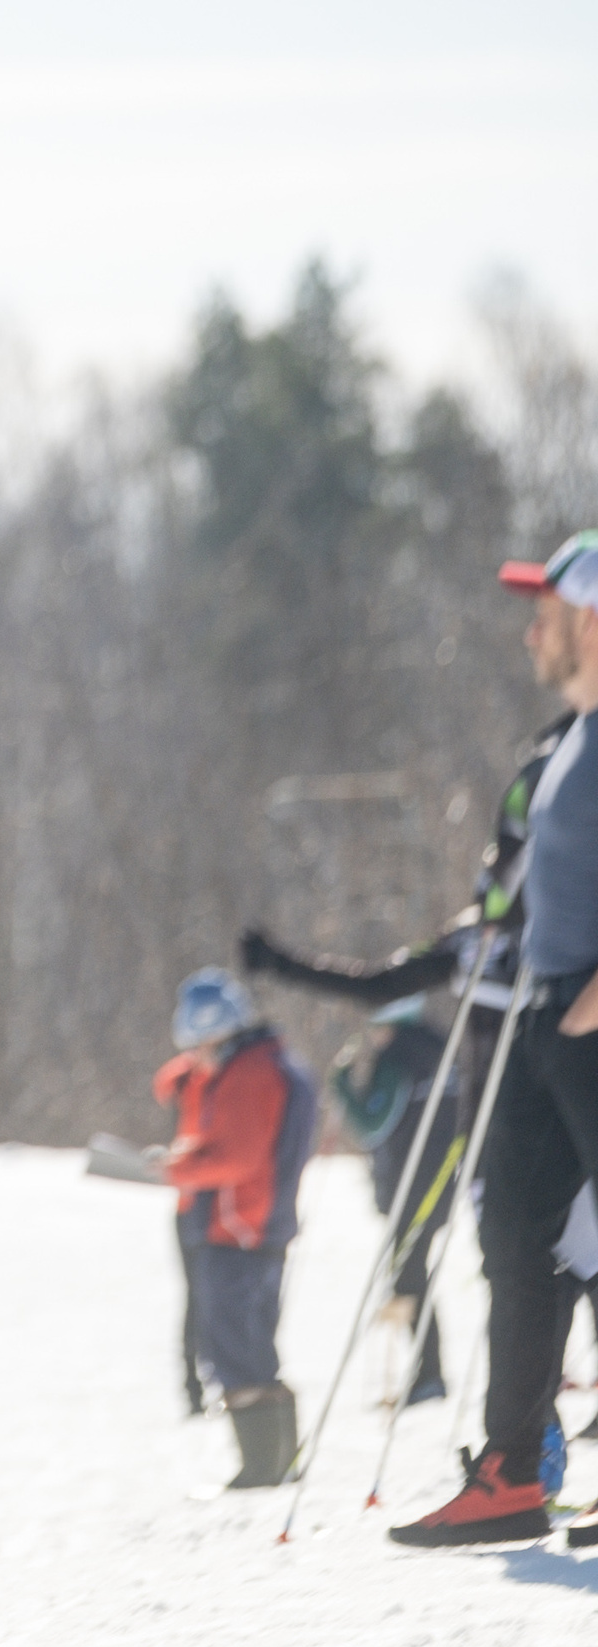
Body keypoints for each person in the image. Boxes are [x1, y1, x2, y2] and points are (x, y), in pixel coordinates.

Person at [394, 531, 598, 1546]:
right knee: (517, 1235)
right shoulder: (569, 741)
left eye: (547, 613)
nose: (531, 632)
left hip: (586, 1014)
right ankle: (512, 1472)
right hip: (539, 1014)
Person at [151, 968, 316, 1488]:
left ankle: (263, 1467)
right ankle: (278, 1460)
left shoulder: (248, 1074)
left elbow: (240, 1158)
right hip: (258, 1225)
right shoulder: (271, 1062)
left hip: (237, 1227)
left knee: (233, 1346)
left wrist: (177, 1169)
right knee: (254, 1344)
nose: (196, 1056)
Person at [324, 997, 463, 1404]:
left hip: (410, 1184)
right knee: (411, 1273)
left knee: (407, 1275)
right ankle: (427, 1371)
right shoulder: (443, 1047)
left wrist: (342, 1087)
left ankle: (429, 1374)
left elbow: (371, 1126)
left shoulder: (398, 1058)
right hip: (443, 1178)